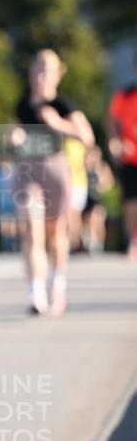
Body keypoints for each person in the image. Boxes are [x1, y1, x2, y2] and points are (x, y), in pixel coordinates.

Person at [10, 49, 94, 316]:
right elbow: (13, 132)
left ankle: (57, 286)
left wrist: (58, 124)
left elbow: (87, 136)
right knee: (31, 231)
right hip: (27, 173)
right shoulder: (22, 105)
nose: (41, 76)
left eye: (47, 70)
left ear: (57, 75)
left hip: (56, 171)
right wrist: (13, 138)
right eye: (37, 69)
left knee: (55, 233)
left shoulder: (64, 105)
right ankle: (36, 293)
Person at [107, 63, 137, 261]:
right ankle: (134, 241)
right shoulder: (124, 95)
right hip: (131, 157)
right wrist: (115, 141)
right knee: (131, 202)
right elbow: (110, 120)